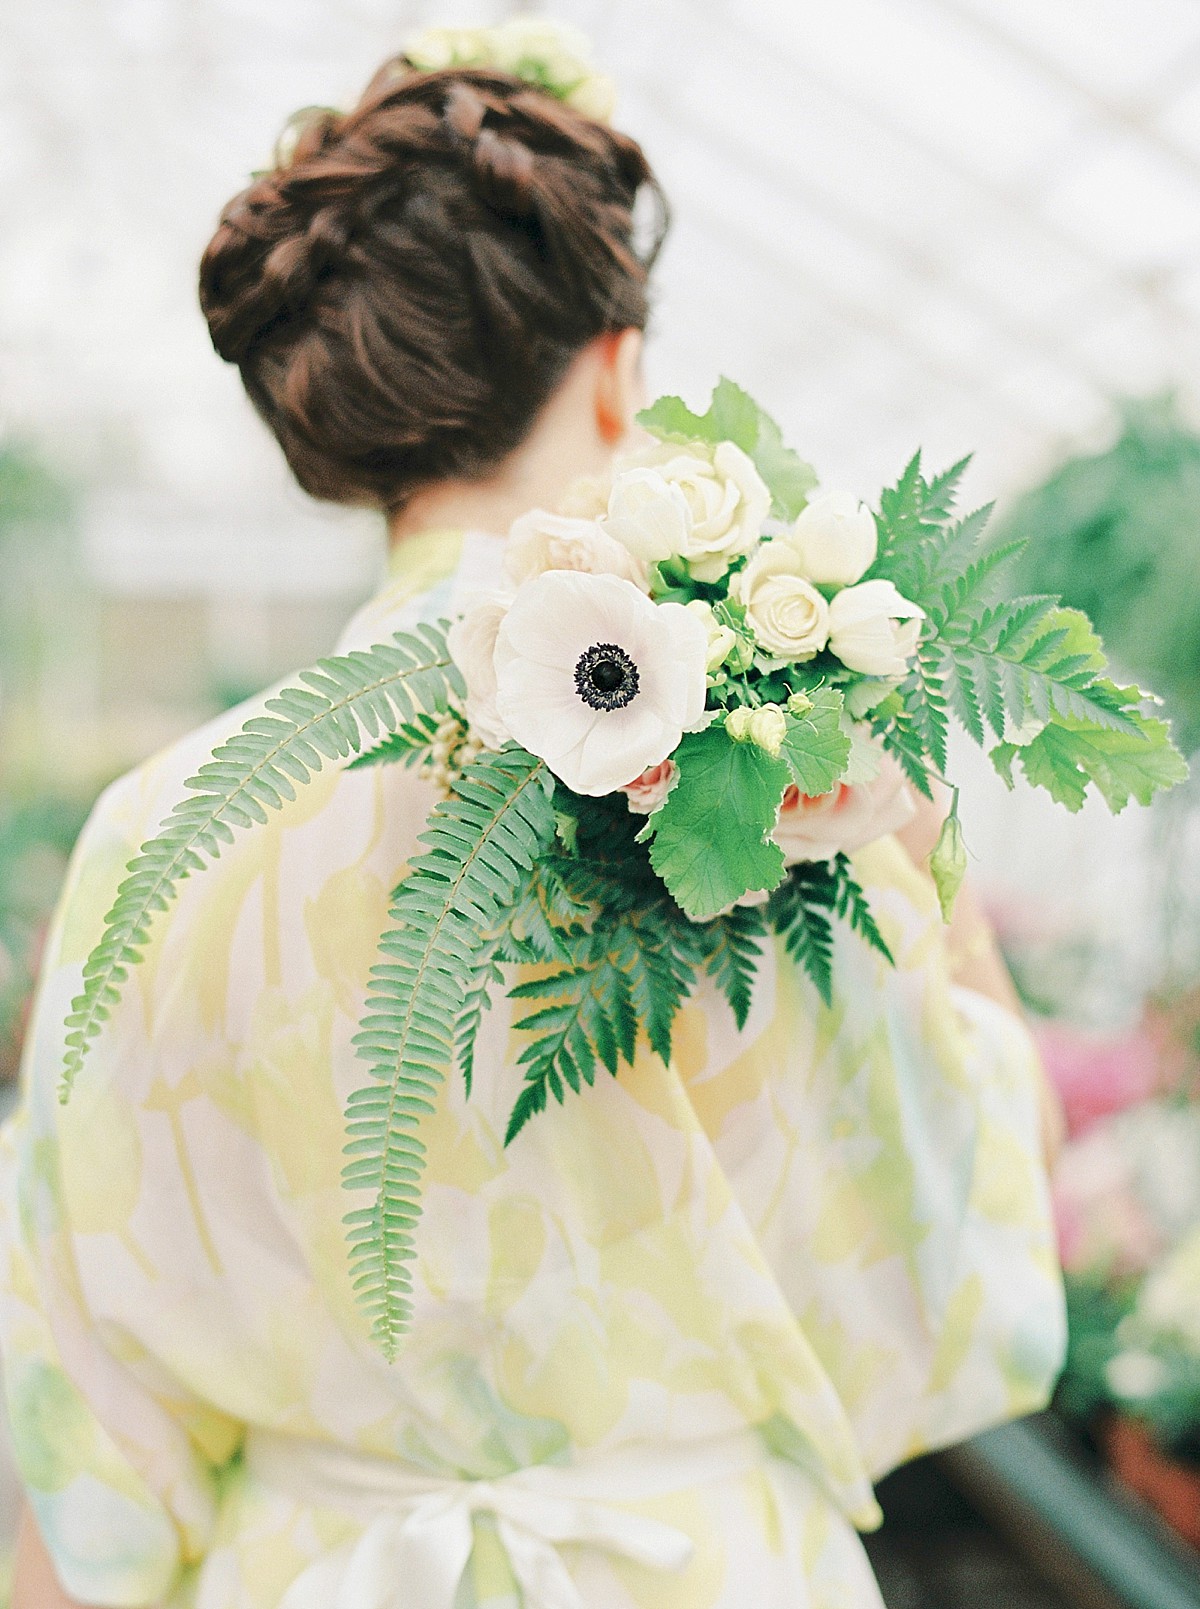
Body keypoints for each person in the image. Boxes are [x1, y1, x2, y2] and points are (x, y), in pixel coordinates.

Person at [3, 30, 1064, 1609]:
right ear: (617, 364)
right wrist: (919, 846)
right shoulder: (776, 779)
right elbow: (965, 1237)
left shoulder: (159, 831)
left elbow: (80, 1405)